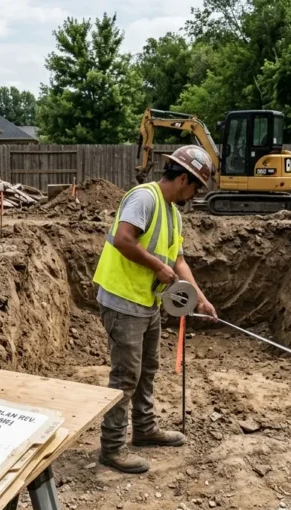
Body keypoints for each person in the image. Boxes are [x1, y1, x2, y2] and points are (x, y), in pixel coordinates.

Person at [91, 145, 218, 474]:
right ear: (182, 179)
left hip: (147, 302)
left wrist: (200, 298)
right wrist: (157, 269)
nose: (194, 195)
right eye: (195, 187)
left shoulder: (174, 214)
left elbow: (178, 261)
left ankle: (144, 429)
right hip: (123, 300)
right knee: (125, 377)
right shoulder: (144, 198)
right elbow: (123, 239)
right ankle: (113, 447)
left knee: (148, 369)